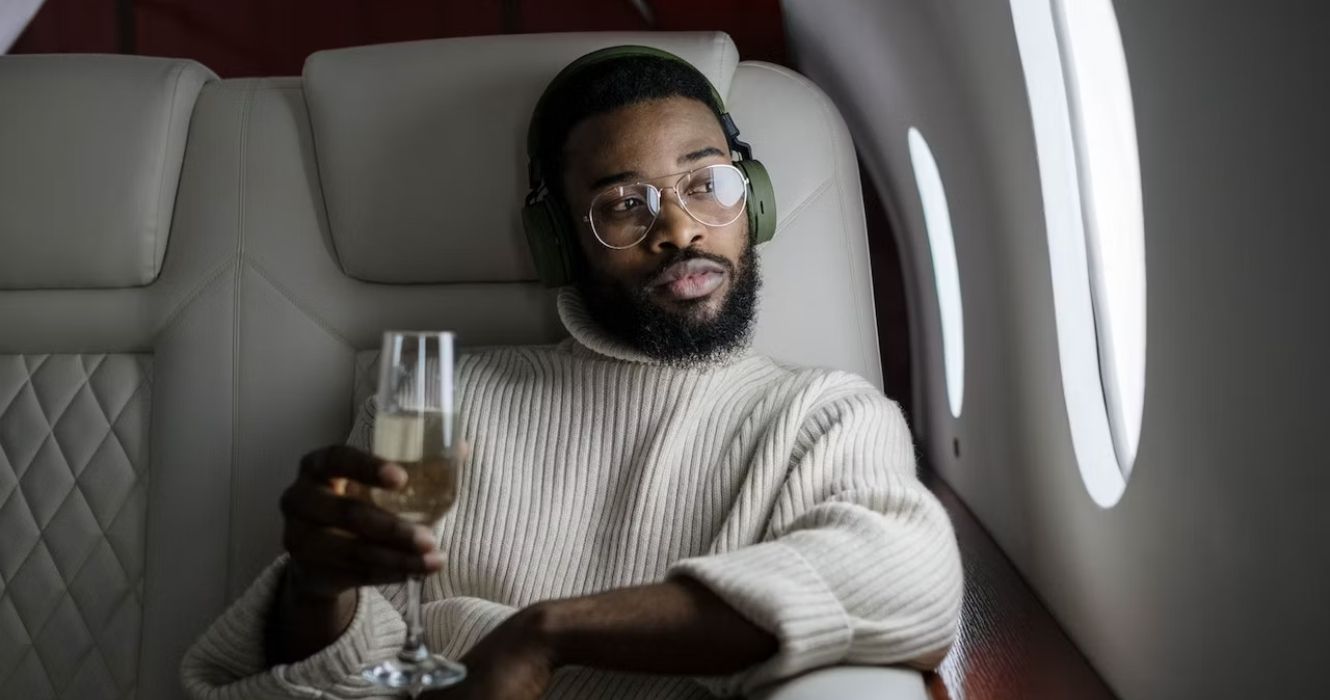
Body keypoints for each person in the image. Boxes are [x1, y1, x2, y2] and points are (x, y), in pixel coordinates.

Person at [181, 46, 963, 700]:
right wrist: (320, 590)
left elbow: (909, 582)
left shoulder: (824, 415)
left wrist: (546, 633)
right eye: (625, 204)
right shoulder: (433, 395)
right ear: (560, 241)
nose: (680, 227)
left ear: (751, 200)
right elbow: (371, 669)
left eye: (707, 183)